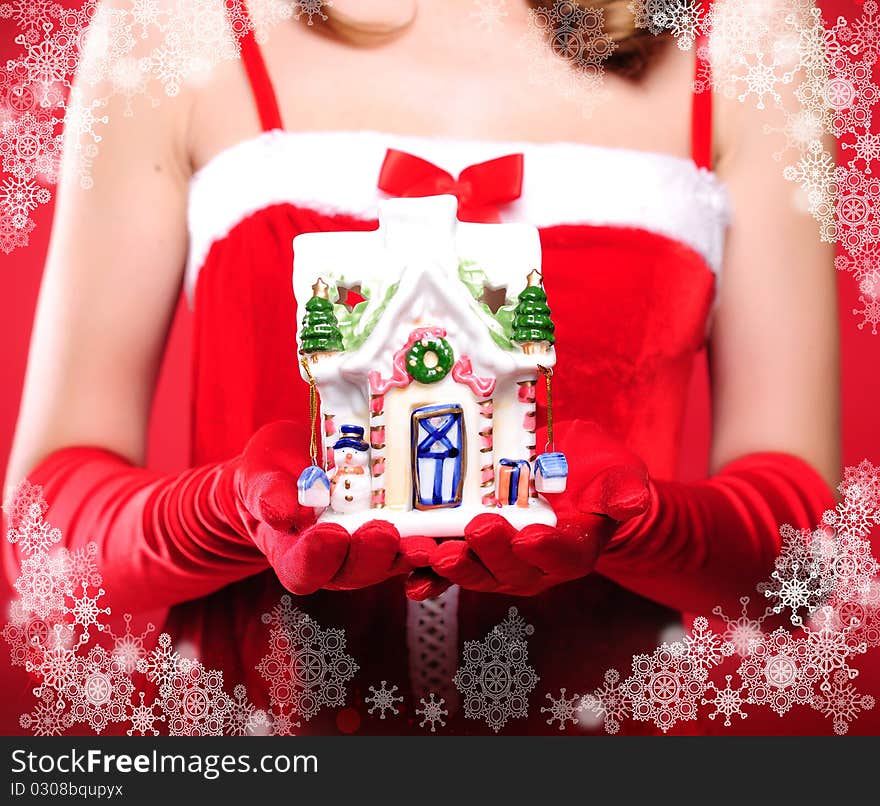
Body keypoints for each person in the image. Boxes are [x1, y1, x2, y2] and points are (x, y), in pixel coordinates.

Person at [4, 0, 839, 734]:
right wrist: (219, 512)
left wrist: (647, 524)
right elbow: (38, 543)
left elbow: (805, 570)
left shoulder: (749, 28)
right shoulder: (170, 23)